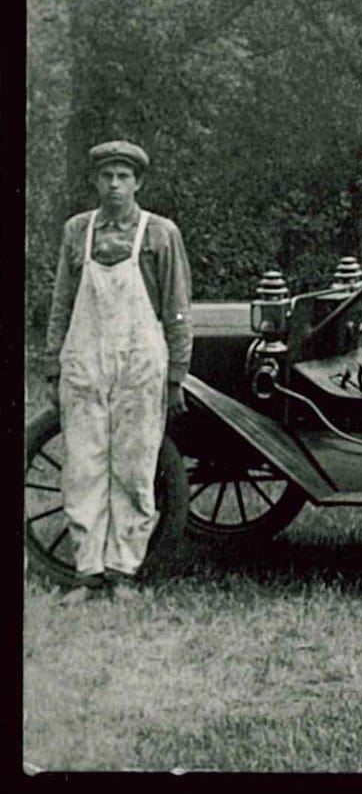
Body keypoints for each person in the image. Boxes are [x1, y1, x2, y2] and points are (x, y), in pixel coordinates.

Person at [43, 140, 193, 604]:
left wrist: (176, 375)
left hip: (140, 363)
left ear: (138, 183)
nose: (114, 185)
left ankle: (124, 570)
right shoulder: (77, 232)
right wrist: (53, 364)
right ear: (95, 181)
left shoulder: (160, 233)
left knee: (134, 463)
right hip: (85, 361)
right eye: (106, 176)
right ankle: (87, 572)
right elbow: (63, 301)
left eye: (122, 177)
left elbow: (177, 308)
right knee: (84, 465)